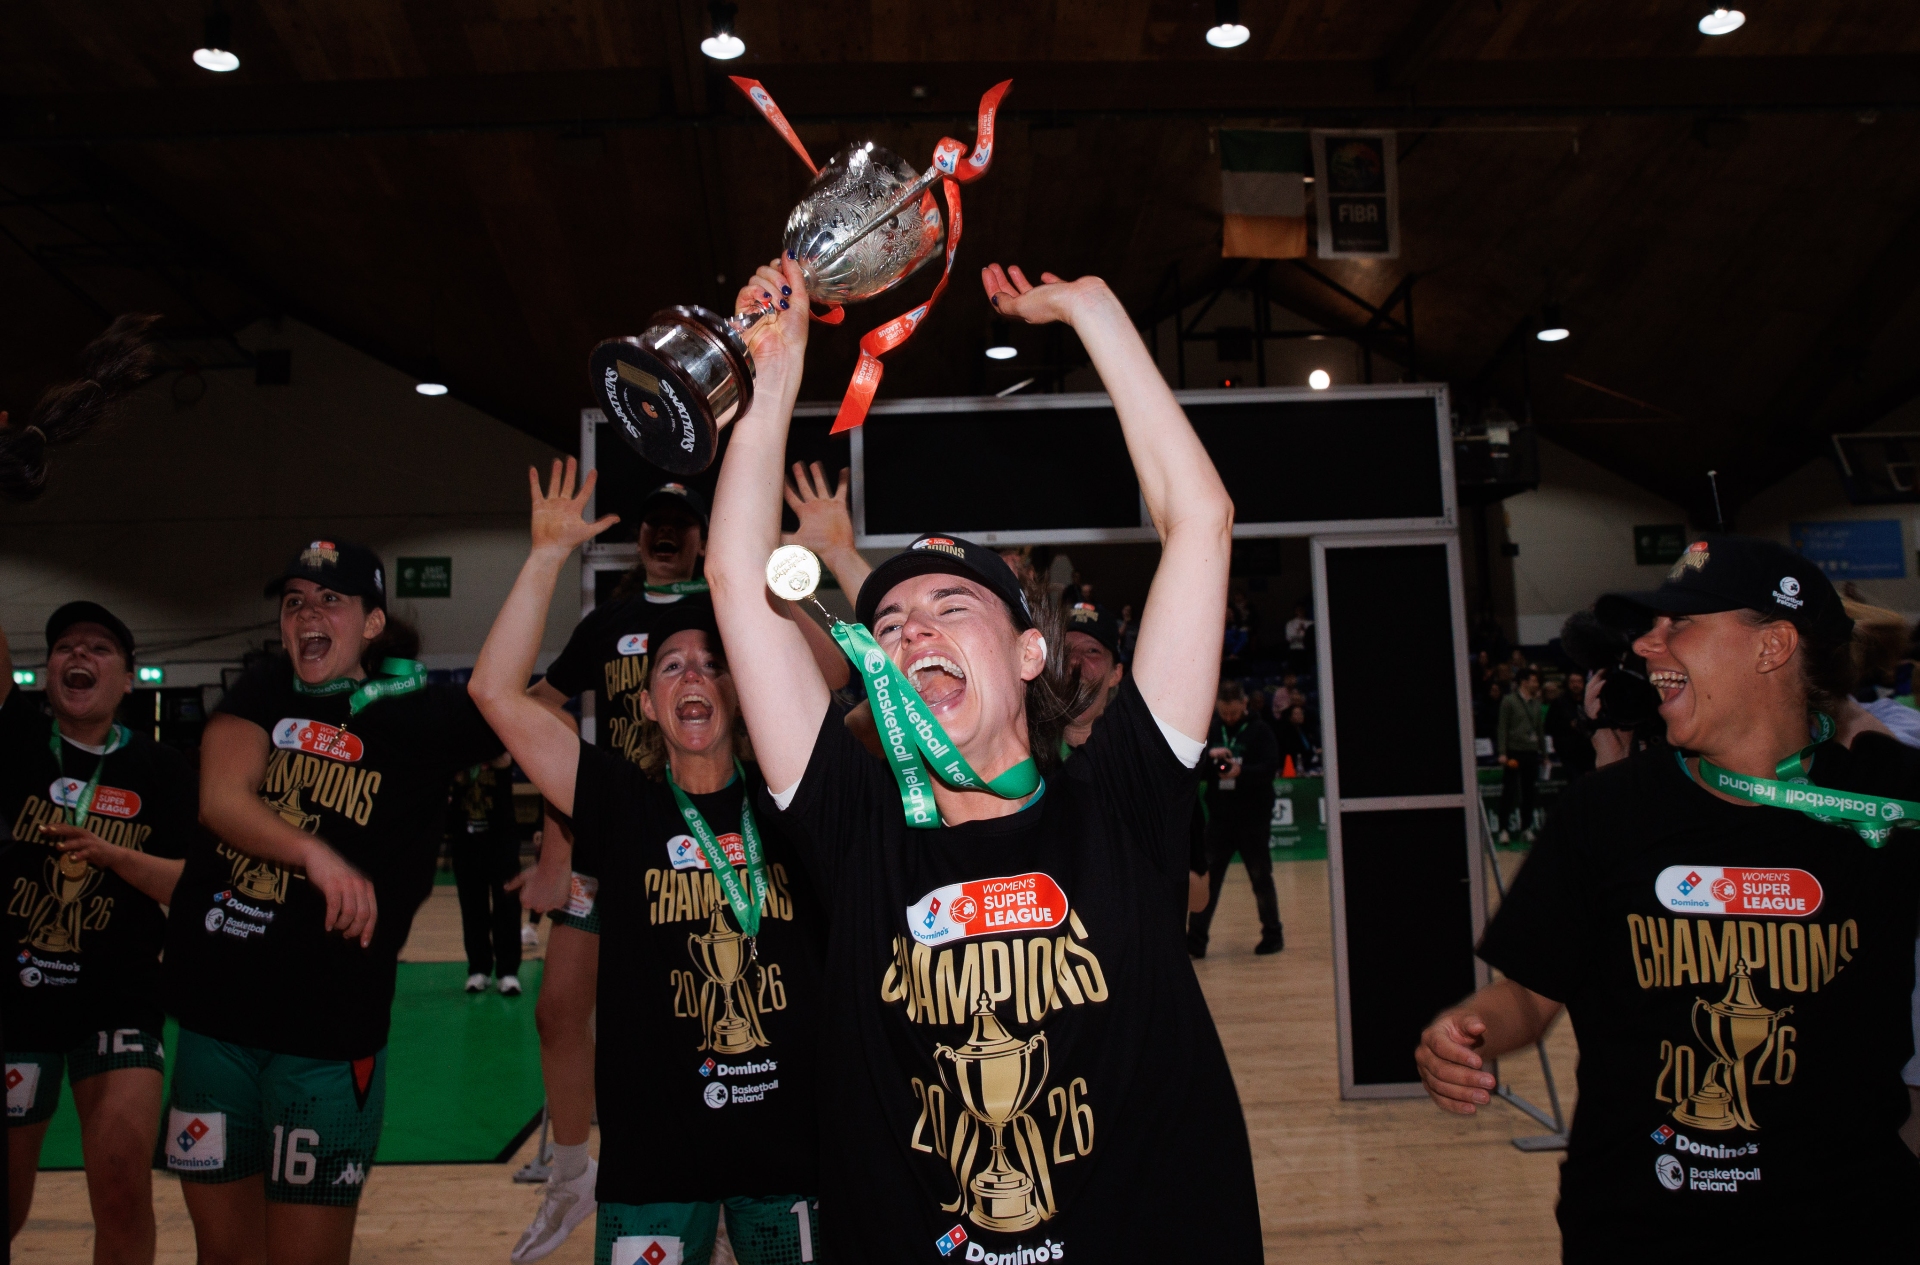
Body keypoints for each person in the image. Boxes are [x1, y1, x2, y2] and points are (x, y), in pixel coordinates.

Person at [705, 253, 1261, 1261]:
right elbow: (738, 579)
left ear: (1030, 651)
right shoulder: (856, 828)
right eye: (889, 623)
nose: (912, 628)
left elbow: (1201, 521)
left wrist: (1096, 314)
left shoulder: (1123, 795)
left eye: (951, 605)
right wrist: (772, 375)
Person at [1416, 535, 1920, 1258]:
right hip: (1639, 1225)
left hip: (1848, 1226)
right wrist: (1466, 1031)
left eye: (1679, 623)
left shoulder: (1891, 806)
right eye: (1650, 626)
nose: (1647, 645)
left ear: (1773, 646)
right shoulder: (1604, 812)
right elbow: (1528, 995)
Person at [471, 458, 827, 1265]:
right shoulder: (617, 803)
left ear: (746, 690)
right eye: (671, 665)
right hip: (658, 1160)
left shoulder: (797, 800)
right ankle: (570, 1168)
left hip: (786, 1155)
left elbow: (863, 685)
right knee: (558, 1008)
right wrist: (545, 556)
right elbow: (496, 692)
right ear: (645, 701)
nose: (693, 674)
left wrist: (810, 571)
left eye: (713, 664)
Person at [160, 540, 502, 1265]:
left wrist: (546, 559)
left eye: (330, 600)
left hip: (328, 1036)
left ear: (372, 623)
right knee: (223, 1255)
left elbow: (526, 705)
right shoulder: (263, 687)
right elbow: (221, 798)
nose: (307, 613)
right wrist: (313, 852)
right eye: (294, 602)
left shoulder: (420, 715)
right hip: (217, 1027)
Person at [2, 603, 192, 1263]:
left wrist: (114, 855)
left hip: (118, 999)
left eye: (100, 648)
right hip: (14, 999)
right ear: (45, 670)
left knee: (121, 1190)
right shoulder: (15, 741)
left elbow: (188, 887)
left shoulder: (163, 769)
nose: (79, 655)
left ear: (129, 679)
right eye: (66, 646)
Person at [1186, 680, 1285, 958]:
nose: (1229, 717)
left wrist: (1242, 771)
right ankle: (1195, 942)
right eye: (1224, 712)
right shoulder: (1211, 730)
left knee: (1261, 878)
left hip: (1253, 820)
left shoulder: (1260, 731)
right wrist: (1209, 758)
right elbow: (1193, 768)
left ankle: (1273, 935)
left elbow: (1270, 767)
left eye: (1233, 712)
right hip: (1219, 820)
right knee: (1207, 881)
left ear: (1244, 704)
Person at [446, 752, 524, 994]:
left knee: (507, 905)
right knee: (472, 907)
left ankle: (508, 971)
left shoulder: (500, 750)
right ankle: (478, 969)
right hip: (466, 841)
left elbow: (504, 760)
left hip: (501, 841)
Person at [1496, 667, 1546, 841]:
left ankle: (1526, 827)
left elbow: (1540, 730)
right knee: (1509, 791)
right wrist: (1502, 752)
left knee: (1529, 792)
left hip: (1531, 752)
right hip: (1514, 752)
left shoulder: (1536, 703)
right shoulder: (1509, 701)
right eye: (1534, 680)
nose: (1537, 684)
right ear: (1524, 682)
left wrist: (1544, 754)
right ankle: (1503, 829)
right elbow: (1502, 727)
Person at [1544, 671, 1595, 782]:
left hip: (1589, 751)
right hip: (1568, 752)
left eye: (1579, 682)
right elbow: (1549, 726)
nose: (1576, 685)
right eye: (1572, 682)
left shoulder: (1590, 702)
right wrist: (1569, 725)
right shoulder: (1559, 703)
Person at [1284, 602, 1312, 670]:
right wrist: (1298, 631)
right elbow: (1289, 638)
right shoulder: (1290, 623)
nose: (1300, 612)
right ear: (1295, 611)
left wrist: (1304, 631)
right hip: (1294, 651)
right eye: (1298, 610)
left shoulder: (1311, 623)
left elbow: (1311, 638)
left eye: (1302, 609)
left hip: (1307, 651)